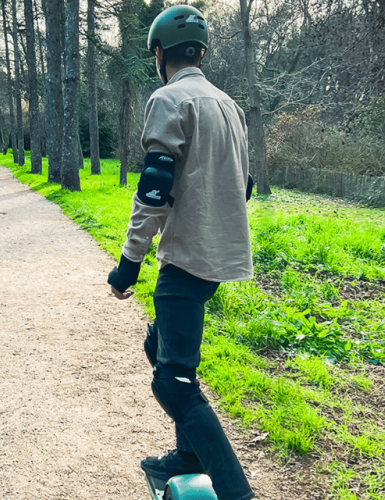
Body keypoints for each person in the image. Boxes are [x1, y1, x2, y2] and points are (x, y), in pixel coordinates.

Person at [107, 5, 255, 500]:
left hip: (187, 259)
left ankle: (236, 493)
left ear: (158, 53)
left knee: (172, 383)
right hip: (221, 255)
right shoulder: (228, 104)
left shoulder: (169, 98)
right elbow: (245, 184)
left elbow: (154, 189)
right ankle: (188, 456)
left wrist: (128, 264)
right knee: (160, 347)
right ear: (201, 51)